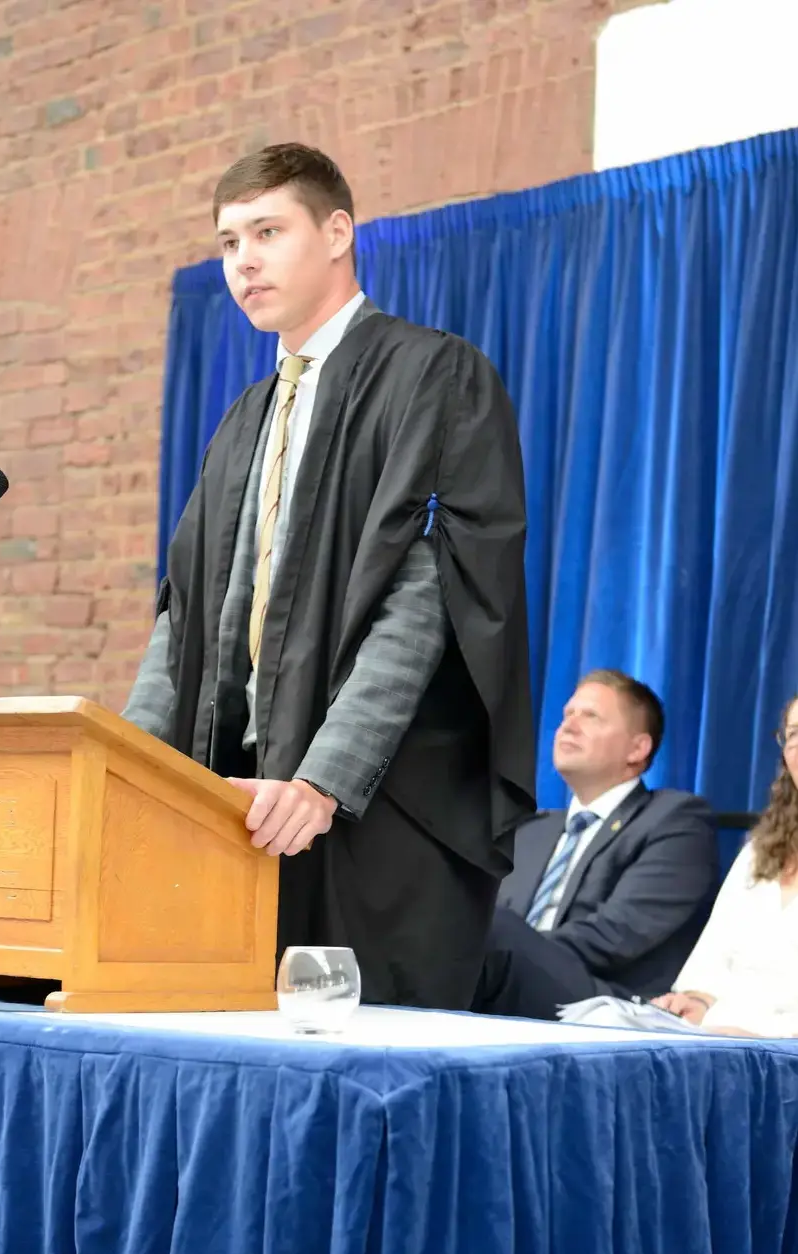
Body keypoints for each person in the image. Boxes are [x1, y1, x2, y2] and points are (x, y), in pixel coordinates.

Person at [123, 142, 535, 1009]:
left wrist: (323, 781)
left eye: (267, 231)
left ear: (338, 231)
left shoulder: (434, 375)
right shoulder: (244, 418)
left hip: (375, 817)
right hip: (239, 819)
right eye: (229, 243)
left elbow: (432, 592)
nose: (244, 263)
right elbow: (186, 615)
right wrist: (128, 775)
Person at [475, 670, 719, 1019]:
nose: (568, 727)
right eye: (567, 715)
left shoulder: (677, 820)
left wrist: (517, 952)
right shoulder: (532, 830)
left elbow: (620, 933)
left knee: (486, 933)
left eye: (591, 717)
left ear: (638, 748)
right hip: (507, 970)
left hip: (606, 997)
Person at [652, 695, 798, 1038]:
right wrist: (696, 1003)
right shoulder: (759, 851)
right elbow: (711, 965)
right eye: (793, 734)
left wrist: (758, 1034)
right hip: (723, 1046)